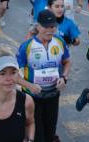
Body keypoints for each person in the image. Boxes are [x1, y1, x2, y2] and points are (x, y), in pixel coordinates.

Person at [16, 10, 72, 142]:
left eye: (53, 26)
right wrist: (30, 86)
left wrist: (64, 77)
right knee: (37, 136)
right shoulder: (27, 46)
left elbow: (67, 61)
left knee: (50, 133)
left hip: (52, 95)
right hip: (32, 97)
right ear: (38, 26)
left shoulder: (59, 42)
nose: (50, 30)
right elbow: (15, 74)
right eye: (46, 26)